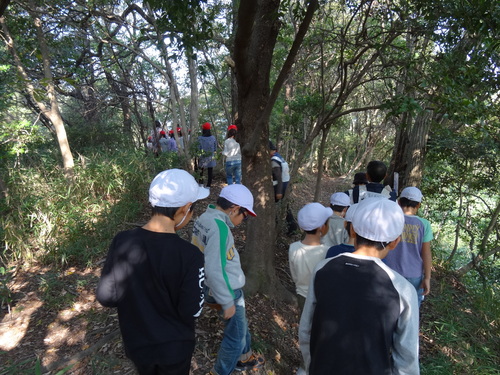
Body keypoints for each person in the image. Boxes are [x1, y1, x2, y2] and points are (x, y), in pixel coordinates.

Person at [96, 169, 209, 375]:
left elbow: (106, 297)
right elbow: (191, 310)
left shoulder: (122, 241)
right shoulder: (190, 255)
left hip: (137, 346)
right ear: (184, 209)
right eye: (193, 208)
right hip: (175, 348)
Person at [299, 198, 420, 375]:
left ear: (353, 230)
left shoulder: (323, 269)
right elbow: (406, 357)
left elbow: (306, 329)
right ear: (395, 242)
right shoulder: (402, 288)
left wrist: (311, 366)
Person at [191, 184, 265, 375]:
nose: (244, 219)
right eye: (244, 214)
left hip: (210, 287)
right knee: (235, 337)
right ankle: (219, 372)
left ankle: (244, 358)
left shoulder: (204, 218)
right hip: (225, 290)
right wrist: (226, 301)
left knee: (240, 326)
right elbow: (214, 269)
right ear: (234, 209)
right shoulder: (220, 228)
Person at [384, 186, 433, 307]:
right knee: (411, 309)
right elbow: (426, 253)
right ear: (418, 205)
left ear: (399, 202)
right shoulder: (424, 224)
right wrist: (427, 277)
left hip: (389, 271)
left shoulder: (390, 219)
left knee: (388, 306)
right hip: (414, 275)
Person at [289, 203, 331, 313]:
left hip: (302, 295)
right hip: (322, 297)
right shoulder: (327, 251)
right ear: (322, 227)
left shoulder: (293, 248)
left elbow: (294, 276)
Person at [196, 122, 217, 188]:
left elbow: (198, 148)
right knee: (210, 172)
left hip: (202, 157)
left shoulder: (200, 138)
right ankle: (208, 186)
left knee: (201, 171)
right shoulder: (213, 138)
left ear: (203, 129)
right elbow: (215, 148)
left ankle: (201, 185)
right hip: (211, 157)